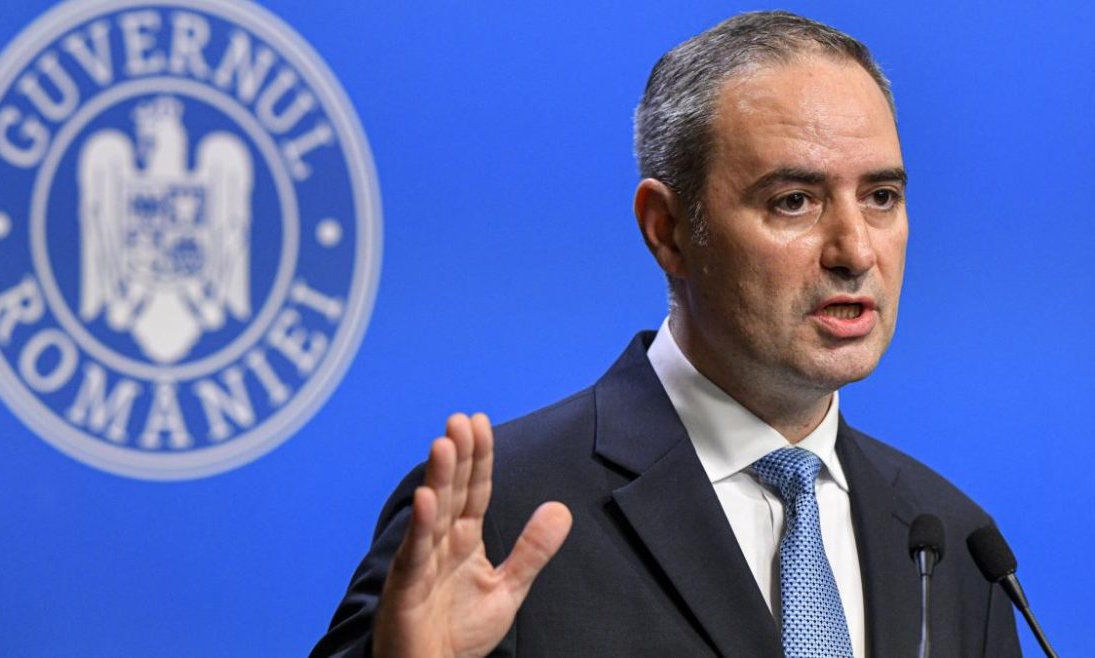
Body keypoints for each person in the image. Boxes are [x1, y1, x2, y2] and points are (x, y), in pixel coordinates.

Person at [312, 11, 1021, 658]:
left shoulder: (957, 547)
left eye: (881, 197)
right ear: (668, 230)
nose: (856, 251)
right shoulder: (498, 517)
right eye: (794, 201)